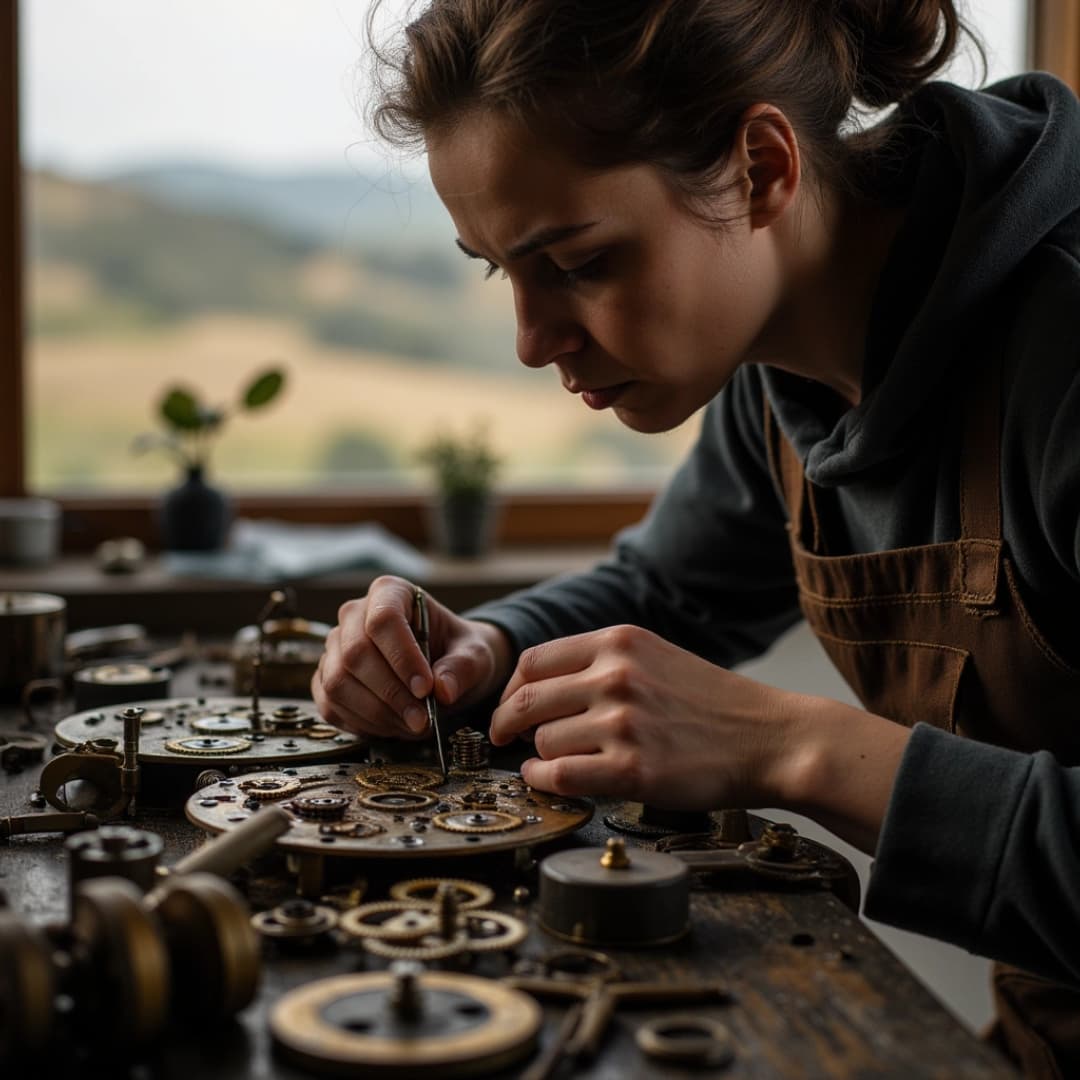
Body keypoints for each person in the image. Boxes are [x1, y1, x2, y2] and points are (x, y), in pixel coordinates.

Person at [312, 2, 1080, 1074]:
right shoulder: (781, 367)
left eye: (577, 262)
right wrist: (478, 648)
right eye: (502, 270)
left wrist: (791, 749)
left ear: (762, 169)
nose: (533, 341)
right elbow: (667, 592)